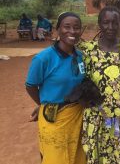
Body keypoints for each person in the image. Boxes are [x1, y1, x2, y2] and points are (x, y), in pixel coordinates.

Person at [78, 6, 120, 164]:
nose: (110, 27)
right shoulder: (87, 50)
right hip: (99, 117)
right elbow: (78, 79)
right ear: (99, 23)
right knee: (103, 154)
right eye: (106, 22)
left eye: (115, 22)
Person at [25, 12, 86, 164]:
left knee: (77, 156)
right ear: (58, 29)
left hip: (78, 116)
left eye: (76, 27)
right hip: (54, 118)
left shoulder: (81, 56)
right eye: (67, 27)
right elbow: (31, 85)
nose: (72, 31)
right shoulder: (43, 58)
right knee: (55, 158)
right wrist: (43, 104)